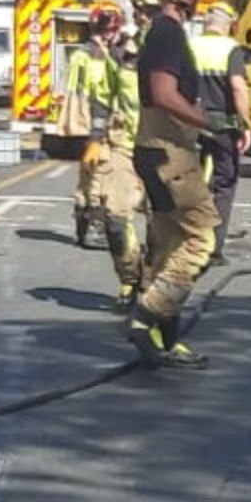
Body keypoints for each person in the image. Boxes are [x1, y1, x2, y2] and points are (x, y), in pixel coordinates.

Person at [126, 0, 219, 370]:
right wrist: (211, 123)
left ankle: (165, 340)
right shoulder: (168, 32)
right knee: (201, 239)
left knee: (168, 246)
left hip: (154, 149)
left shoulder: (160, 32)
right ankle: (148, 316)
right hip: (169, 154)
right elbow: (165, 94)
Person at [191, 1, 251, 266]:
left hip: (190, 121)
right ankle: (213, 247)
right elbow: (238, 87)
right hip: (222, 125)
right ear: (228, 25)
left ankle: (185, 240)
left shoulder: (190, 45)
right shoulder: (231, 49)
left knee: (188, 182)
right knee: (224, 183)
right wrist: (246, 124)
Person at [94, 28, 148, 312]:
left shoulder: (175, 51)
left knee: (163, 229)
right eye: (140, 10)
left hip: (163, 149)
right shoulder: (120, 54)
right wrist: (93, 140)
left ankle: (152, 285)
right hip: (123, 146)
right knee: (115, 220)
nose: (144, 14)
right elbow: (103, 97)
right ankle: (129, 279)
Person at [67, 7, 124, 248]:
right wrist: (91, 130)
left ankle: (83, 228)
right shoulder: (85, 56)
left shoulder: (111, 53)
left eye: (114, 29)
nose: (111, 34)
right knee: (97, 177)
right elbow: (79, 94)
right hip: (93, 123)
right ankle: (93, 229)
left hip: (102, 123)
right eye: (108, 29)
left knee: (87, 178)